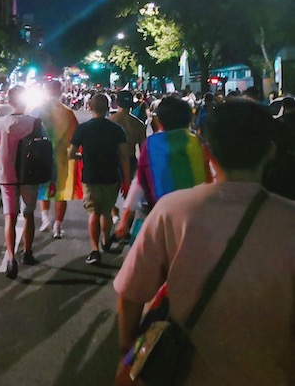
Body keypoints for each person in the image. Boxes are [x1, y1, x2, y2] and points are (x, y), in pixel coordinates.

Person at [113, 100, 295, 385]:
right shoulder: (289, 220)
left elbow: (131, 294)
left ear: (207, 152)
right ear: (270, 151)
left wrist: (130, 347)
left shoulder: (172, 210)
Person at [115, 96, 212, 242]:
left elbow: (140, 182)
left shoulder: (152, 144)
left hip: (161, 214)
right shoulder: (199, 143)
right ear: (190, 119)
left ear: (159, 122)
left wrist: (125, 219)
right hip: (196, 214)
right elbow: (209, 177)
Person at [69, 92, 130, 265]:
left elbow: (71, 153)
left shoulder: (82, 129)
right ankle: (106, 240)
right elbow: (124, 156)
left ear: (90, 107)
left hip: (91, 175)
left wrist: (82, 156)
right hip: (111, 175)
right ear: (108, 107)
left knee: (93, 212)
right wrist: (126, 179)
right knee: (107, 211)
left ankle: (95, 249)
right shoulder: (117, 129)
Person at [0, 85, 43, 278]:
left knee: (10, 217)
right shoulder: (35, 122)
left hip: (7, 176)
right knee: (29, 213)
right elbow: (44, 149)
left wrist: (2, 171)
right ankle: (28, 252)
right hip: (30, 175)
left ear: (9, 101)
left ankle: (12, 258)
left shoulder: (1, 124)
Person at [36, 80, 81, 239]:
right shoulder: (68, 113)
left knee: (43, 189)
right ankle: (58, 226)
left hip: (42, 156)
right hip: (62, 158)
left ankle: (45, 218)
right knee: (61, 193)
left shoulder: (39, 111)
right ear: (61, 91)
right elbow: (76, 137)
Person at [109, 89, 147, 235]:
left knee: (111, 193)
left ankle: (114, 216)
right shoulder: (138, 124)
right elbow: (143, 150)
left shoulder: (110, 121)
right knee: (130, 196)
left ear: (116, 103)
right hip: (131, 161)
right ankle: (127, 226)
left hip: (112, 160)